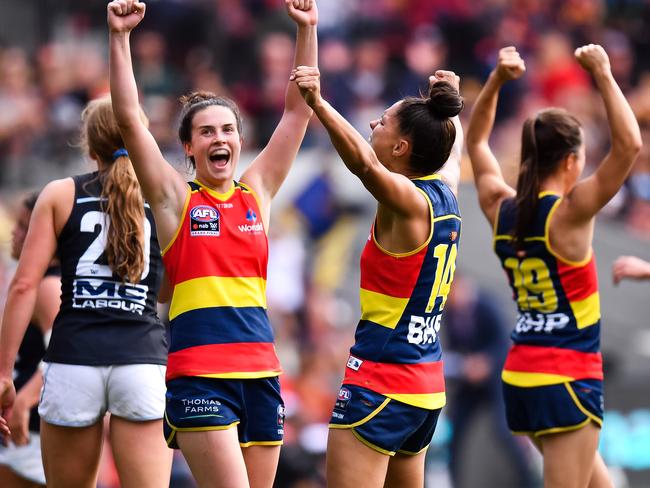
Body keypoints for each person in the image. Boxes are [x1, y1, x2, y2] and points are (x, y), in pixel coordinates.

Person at [107, 1, 318, 487]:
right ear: (188, 146)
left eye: (227, 130)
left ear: (240, 141)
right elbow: (129, 120)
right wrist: (120, 38)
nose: (218, 138)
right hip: (199, 373)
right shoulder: (174, 200)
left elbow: (298, 109)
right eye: (206, 132)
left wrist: (307, 28)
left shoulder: (257, 193)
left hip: (262, 371)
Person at [466, 44, 642, 487]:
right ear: (570, 161)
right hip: (567, 376)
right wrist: (602, 72)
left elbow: (475, 142)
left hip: (523, 373)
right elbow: (629, 146)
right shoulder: (570, 212)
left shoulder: (498, 206)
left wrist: (497, 81)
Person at [292, 64, 464, 486]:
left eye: (383, 121)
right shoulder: (448, 193)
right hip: (425, 391)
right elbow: (453, 151)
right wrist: (452, 104)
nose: (373, 122)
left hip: (380, 381)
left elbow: (365, 165)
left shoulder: (408, 202)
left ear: (402, 147)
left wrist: (318, 104)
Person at [0, 97, 171, 488]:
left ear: (90, 147)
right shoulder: (164, 196)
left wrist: (3, 373)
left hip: (73, 360)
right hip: (141, 361)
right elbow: (166, 292)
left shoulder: (61, 194)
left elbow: (25, 284)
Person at [442, 273, 535, 488]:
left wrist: (486, 363)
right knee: (456, 431)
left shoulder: (486, 306)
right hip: (469, 383)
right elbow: (455, 350)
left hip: (496, 381)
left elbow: (503, 344)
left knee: (504, 431)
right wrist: (466, 365)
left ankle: (528, 482)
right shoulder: (450, 315)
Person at [0, 192, 60, 488]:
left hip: (32, 431)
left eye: (25, 226)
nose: (15, 232)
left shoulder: (49, 286)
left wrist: (23, 402)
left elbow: (61, 352)